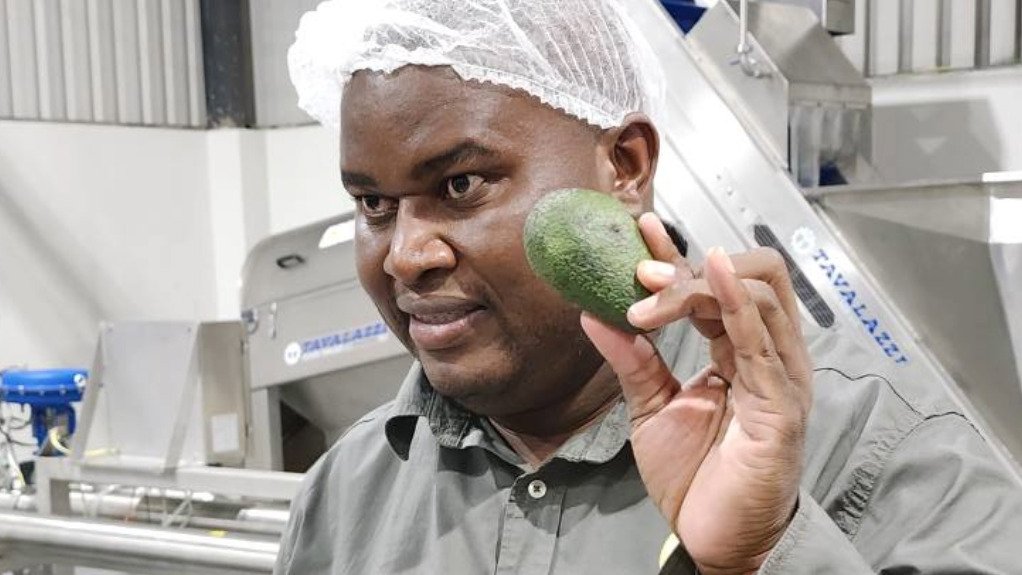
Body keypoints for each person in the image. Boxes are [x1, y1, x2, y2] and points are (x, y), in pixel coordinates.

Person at [276, 0, 1022, 573]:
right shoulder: (344, 498)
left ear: (625, 166)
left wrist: (760, 553)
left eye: (461, 183)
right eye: (373, 202)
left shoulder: (883, 453)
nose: (406, 254)